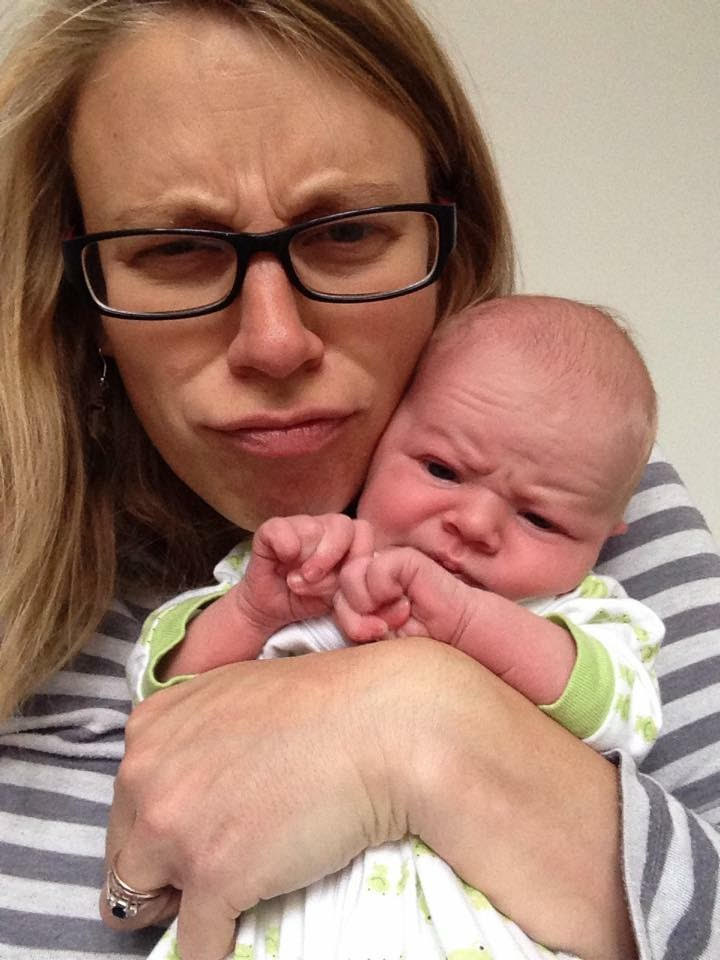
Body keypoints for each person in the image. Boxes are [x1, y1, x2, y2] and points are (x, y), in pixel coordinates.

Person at [0, 2, 717, 960]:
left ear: (448, 249)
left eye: (347, 234)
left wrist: (416, 727)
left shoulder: (578, 510)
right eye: (175, 249)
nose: (274, 343)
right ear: (76, 292)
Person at [130, 295, 665, 960]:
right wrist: (253, 612)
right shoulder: (309, 567)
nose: (474, 524)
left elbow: (623, 718)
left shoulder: (578, 616)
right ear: (382, 439)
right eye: (442, 470)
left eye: (540, 519)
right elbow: (161, 690)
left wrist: (466, 621)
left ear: (607, 535)